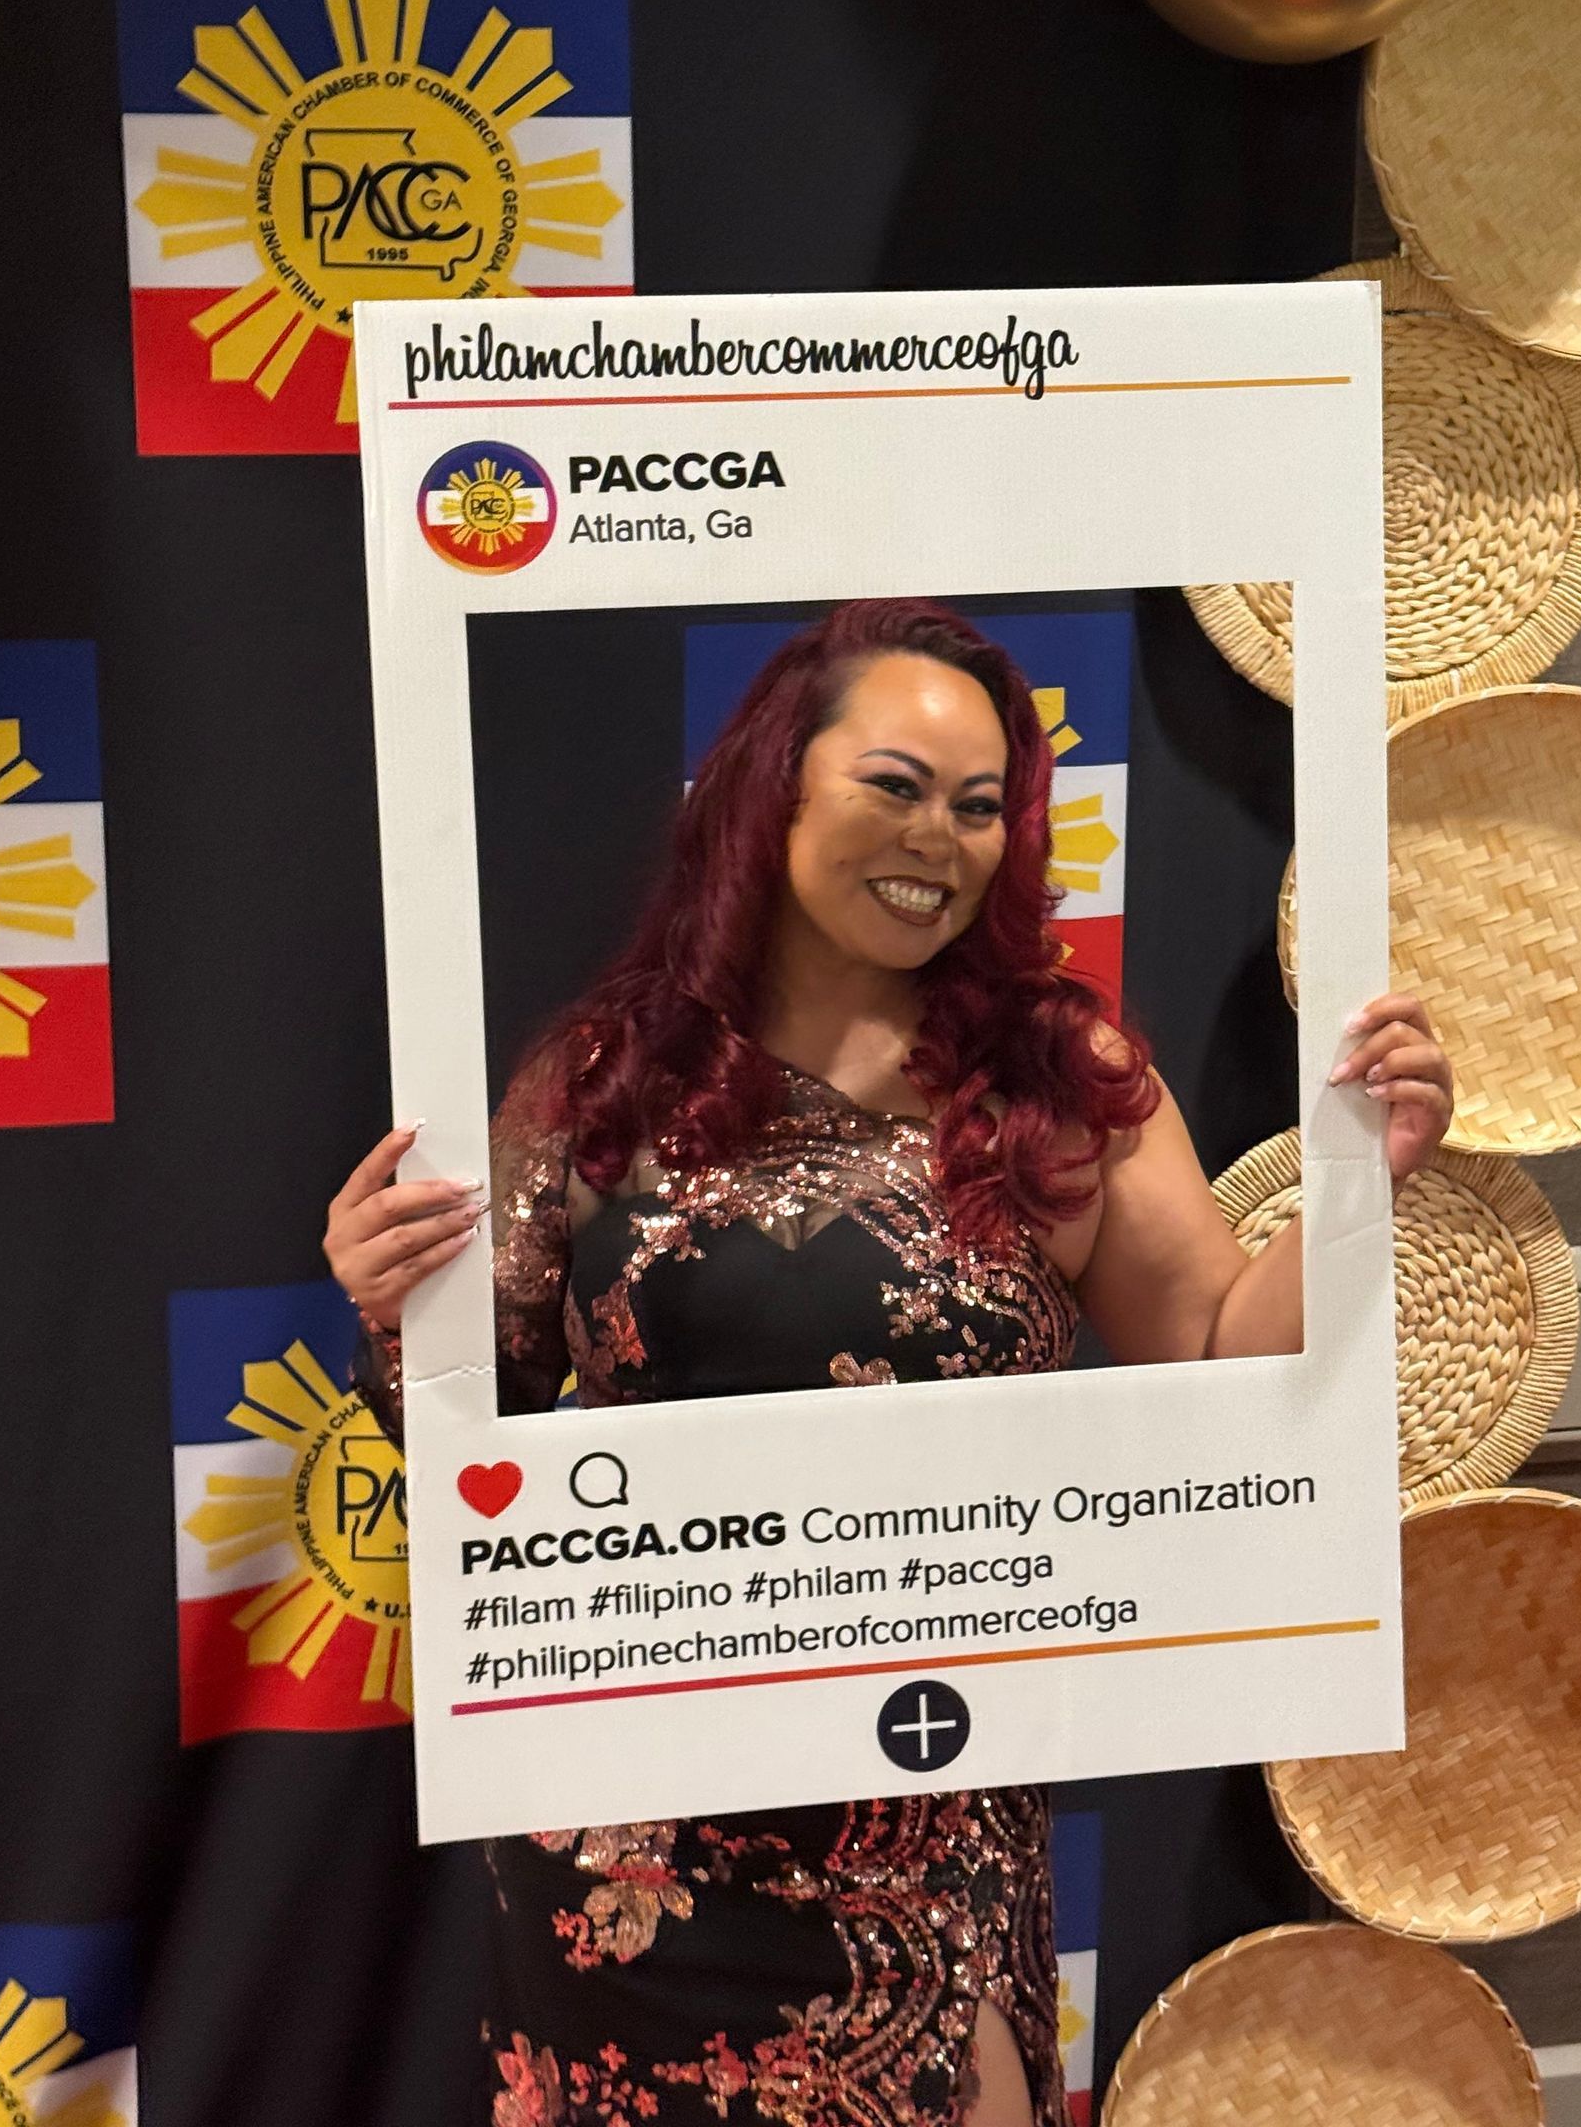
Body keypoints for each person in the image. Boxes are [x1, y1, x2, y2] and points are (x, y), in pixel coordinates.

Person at [324, 599, 1452, 2127]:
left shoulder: (1061, 1077)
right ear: (772, 788)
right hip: (641, 1838)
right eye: (898, 785)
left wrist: (1361, 1181)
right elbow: (485, 1443)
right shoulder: (606, 1076)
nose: (944, 835)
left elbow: (1215, 1346)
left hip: (928, 1803)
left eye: (983, 806)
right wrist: (390, 1298)